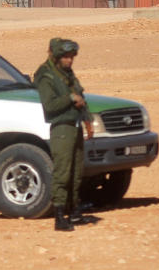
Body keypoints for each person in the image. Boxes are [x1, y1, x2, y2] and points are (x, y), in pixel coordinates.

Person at [34, 37, 94, 232]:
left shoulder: (66, 73)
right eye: (66, 57)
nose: (69, 61)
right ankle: (59, 216)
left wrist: (87, 119)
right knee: (63, 172)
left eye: (71, 57)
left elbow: (80, 95)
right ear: (55, 55)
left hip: (75, 125)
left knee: (77, 172)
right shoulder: (46, 75)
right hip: (61, 128)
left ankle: (74, 211)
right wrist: (69, 98)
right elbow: (50, 105)